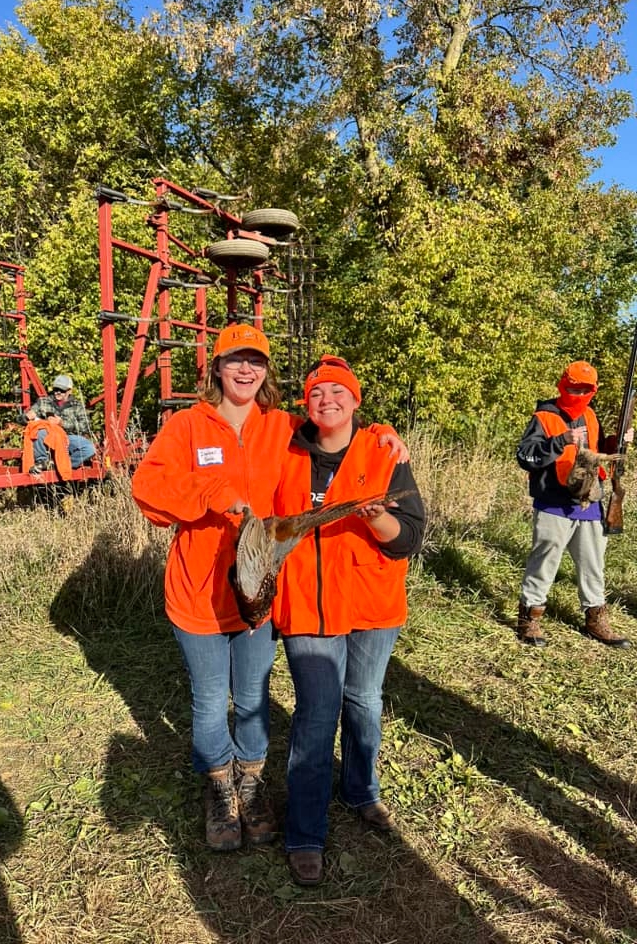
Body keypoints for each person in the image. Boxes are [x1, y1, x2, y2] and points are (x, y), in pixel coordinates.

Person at [131, 325, 406, 853]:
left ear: (265, 371)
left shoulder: (281, 426)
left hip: (257, 594)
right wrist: (209, 490)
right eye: (234, 360)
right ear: (216, 367)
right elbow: (147, 487)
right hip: (198, 590)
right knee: (211, 700)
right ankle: (219, 790)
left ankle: (253, 787)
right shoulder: (188, 426)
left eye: (255, 361)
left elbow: (339, 432)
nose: (245, 370)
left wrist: (384, 432)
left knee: (254, 697)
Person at [269, 356, 425, 886]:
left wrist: (377, 515)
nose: (327, 400)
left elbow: (409, 538)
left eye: (339, 391)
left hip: (371, 602)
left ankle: (361, 791)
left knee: (363, 700)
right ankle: (306, 831)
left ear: (357, 401)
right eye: (317, 392)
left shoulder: (383, 450)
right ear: (305, 404)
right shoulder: (284, 447)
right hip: (308, 605)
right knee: (316, 713)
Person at [516, 360, 631, 650]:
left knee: (593, 565)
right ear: (562, 385)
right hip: (553, 502)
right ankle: (530, 618)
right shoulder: (544, 416)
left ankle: (595, 618)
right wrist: (561, 440)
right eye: (573, 388)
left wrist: (620, 442)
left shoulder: (591, 416)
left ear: (593, 390)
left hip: (589, 502)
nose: (578, 394)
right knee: (544, 562)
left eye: (584, 390)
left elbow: (600, 448)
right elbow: (524, 456)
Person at [23, 373, 96, 476]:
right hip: (48, 436)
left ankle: (59, 465)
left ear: (69, 391)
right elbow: (25, 419)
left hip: (68, 438)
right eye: (56, 389)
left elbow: (85, 427)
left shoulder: (77, 405)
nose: (58, 392)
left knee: (89, 448)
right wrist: (26, 417)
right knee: (38, 430)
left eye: (62, 390)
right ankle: (42, 462)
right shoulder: (43, 402)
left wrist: (62, 423)